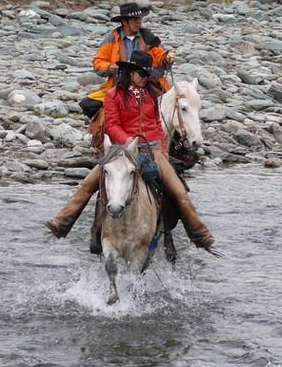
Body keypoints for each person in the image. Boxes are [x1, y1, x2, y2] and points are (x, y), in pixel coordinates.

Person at [45, 51, 215, 253]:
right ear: (130, 72)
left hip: (152, 148)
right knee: (88, 184)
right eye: (142, 74)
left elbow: (156, 125)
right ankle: (62, 222)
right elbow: (112, 125)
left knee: (179, 192)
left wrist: (162, 149)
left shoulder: (151, 95)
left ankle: (199, 234)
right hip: (121, 150)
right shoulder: (113, 95)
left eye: (147, 75)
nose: (145, 78)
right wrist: (127, 141)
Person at [79, 2, 174, 120]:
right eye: (134, 19)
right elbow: (98, 62)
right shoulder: (112, 38)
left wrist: (167, 58)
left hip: (149, 82)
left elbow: (160, 56)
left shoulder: (148, 37)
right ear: (124, 21)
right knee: (88, 104)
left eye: (139, 18)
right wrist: (109, 67)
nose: (138, 21)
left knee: (171, 107)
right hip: (120, 83)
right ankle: (103, 134)